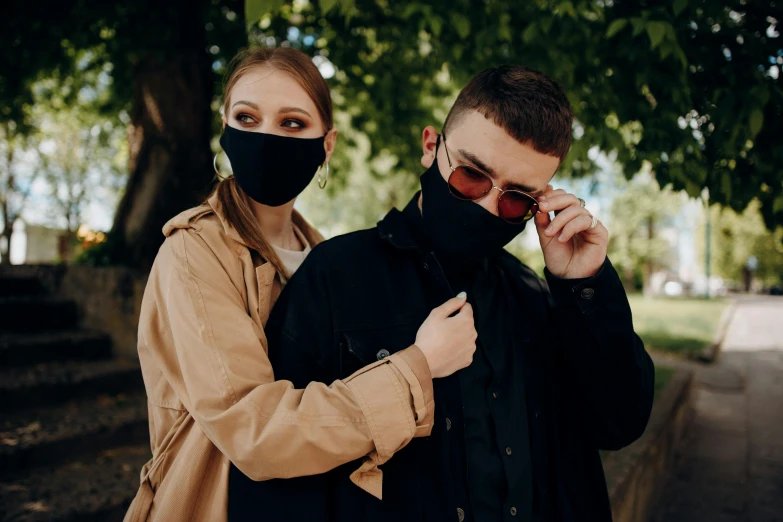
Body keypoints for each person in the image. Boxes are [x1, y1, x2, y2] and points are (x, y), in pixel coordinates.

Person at [229, 65, 655, 522]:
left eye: (515, 200)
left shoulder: (534, 295)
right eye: (472, 176)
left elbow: (618, 422)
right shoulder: (336, 275)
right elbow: (275, 475)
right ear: (431, 148)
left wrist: (583, 285)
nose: (486, 206)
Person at [124, 47, 478, 522]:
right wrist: (417, 367)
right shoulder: (192, 254)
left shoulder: (323, 257)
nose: (267, 137)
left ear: (325, 145)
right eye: (247, 118)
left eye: (292, 123)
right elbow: (255, 432)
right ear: (225, 128)